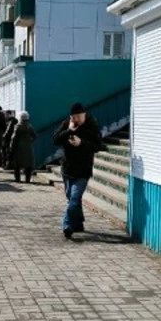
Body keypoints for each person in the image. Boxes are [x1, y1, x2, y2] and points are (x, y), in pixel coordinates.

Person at [53, 102, 103, 239]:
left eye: (78, 117)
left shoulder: (92, 125)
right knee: (72, 198)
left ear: (84, 115)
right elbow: (55, 140)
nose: (76, 120)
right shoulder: (67, 124)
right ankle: (79, 223)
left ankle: (67, 225)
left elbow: (98, 145)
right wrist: (69, 130)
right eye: (73, 118)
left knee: (74, 198)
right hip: (67, 168)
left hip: (83, 169)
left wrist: (81, 143)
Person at [10, 111, 37, 183]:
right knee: (28, 164)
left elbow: (14, 138)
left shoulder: (17, 126)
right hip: (28, 148)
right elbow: (35, 136)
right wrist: (30, 141)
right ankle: (27, 179)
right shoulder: (30, 126)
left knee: (17, 164)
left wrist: (11, 147)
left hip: (19, 148)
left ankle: (17, 179)